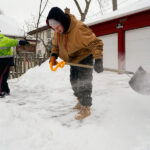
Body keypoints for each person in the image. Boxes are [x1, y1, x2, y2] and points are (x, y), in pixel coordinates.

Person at [46, 7, 103, 120]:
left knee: (84, 82)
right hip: (72, 60)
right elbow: (56, 46)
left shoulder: (79, 28)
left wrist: (98, 59)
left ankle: (86, 107)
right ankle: (80, 101)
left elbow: (96, 43)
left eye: (57, 27)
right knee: (74, 81)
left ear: (62, 21)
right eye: (54, 29)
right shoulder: (58, 32)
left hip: (84, 57)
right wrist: (53, 56)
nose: (56, 31)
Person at [0, 31, 29, 98]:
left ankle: (2, 91)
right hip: (5, 59)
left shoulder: (4, 39)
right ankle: (5, 90)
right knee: (3, 76)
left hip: (5, 60)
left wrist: (21, 42)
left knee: (2, 75)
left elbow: (14, 41)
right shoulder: (5, 39)